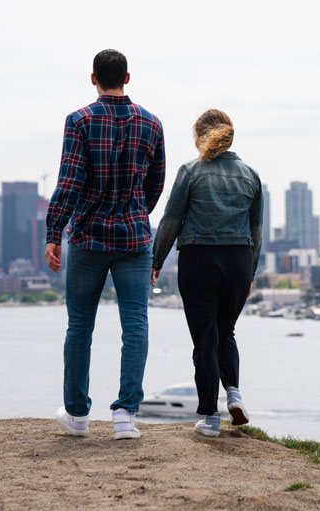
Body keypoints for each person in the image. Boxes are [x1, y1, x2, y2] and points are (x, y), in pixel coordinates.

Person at [46, 49, 166, 440]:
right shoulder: (152, 123)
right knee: (135, 324)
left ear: (93, 78)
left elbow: (69, 181)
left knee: (80, 325)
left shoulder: (79, 120)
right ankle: (126, 416)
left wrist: (54, 233)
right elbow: (156, 183)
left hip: (88, 236)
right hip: (134, 237)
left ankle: (78, 416)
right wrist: (134, 212)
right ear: (127, 78)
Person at [151, 109, 262, 437]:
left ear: (201, 138)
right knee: (226, 330)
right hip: (239, 261)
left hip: (199, 259)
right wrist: (251, 274)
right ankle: (234, 393)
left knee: (205, 337)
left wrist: (156, 261)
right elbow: (257, 233)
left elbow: (170, 220)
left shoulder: (190, 172)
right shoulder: (251, 176)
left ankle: (210, 418)